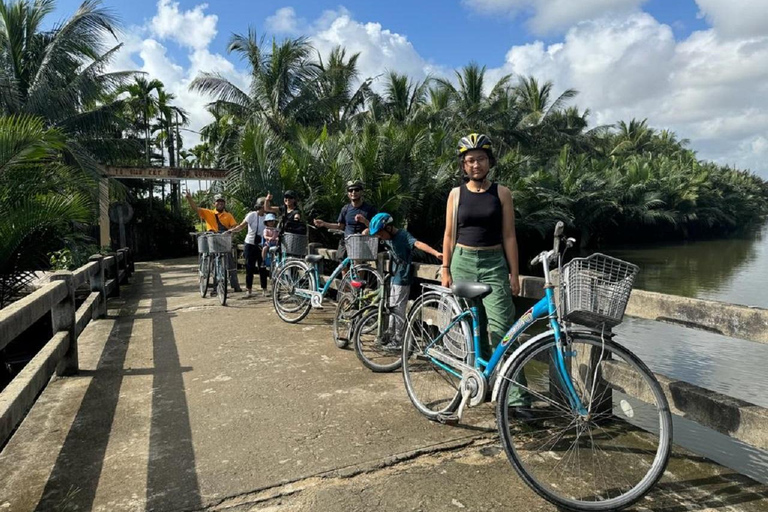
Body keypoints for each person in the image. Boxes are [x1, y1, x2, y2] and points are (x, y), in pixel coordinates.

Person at [440, 133, 527, 412]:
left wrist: (515, 273)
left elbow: (510, 235)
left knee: (504, 329)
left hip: (493, 263)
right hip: (462, 262)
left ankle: (517, 399)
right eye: (469, 160)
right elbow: (450, 234)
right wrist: (445, 268)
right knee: (472, 330)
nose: (475, 165)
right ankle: (484, 386)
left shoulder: (502, 193)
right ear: (463, 166)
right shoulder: (456, 194)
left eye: (480, 159)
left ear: (489, 161)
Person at [368, 212, 442, 344]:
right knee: (391, 306)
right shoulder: (388, 237)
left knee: (399, 309)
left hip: (402, 277)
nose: (380, 237)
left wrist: (436, 253)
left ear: (389, 228)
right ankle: (390, 334)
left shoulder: (403, 235)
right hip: (393, 276)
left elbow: (418, 244)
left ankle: (398, 339)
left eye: (380, 233)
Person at [185, 191, 242, 292]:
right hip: (212, 238)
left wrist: (232, 231)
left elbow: (233, 226)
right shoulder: (208, 213)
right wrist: (189, 199)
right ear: (214, 204)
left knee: (230, 261)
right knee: (212, 260)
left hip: (224, 239)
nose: (220, 203)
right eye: (218, 202)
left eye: (222, 202)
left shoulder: (228, 215)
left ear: (224, 204)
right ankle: (215, 286)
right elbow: (196, 209)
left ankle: (235, 284)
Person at [313, 180, 377, 260]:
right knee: (343, 267)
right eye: (350, 190)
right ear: (348, 194)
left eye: (356, 190)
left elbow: (375, 227)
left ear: (361, 192)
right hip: (346, 241)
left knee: (359, 266)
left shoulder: (369, 209)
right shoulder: (345, 209)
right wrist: (324, 224)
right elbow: (340, 226)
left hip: (362, 242)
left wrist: (365, 221)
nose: (353, 192)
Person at [226, 197, 267, 296]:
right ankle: (249, 289)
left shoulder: (267, 217)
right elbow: (241, 226)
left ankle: (264, 288)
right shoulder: (251, 215)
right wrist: (232, 230)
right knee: (250, 267)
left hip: (261, 245)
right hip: (250, 244)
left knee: (262, 267)